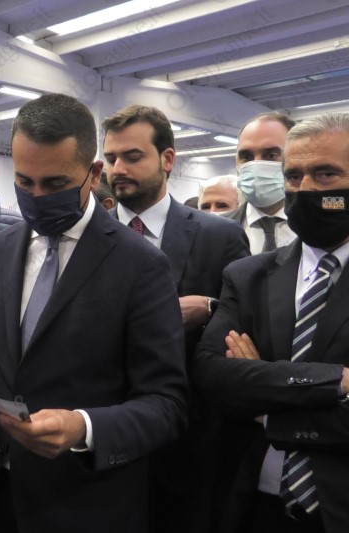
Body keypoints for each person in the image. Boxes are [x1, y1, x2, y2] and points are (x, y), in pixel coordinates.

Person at [0, 94, 188, 533]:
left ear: (94, 174)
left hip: (84, 504)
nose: (37, 197)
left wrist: (84, 427)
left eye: (55, 184)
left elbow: (166, 404)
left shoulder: (141, 265)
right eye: (25, 182)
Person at [191, 113, 349, 533]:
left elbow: (242, 385)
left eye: (326, 174)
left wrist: (268, 410)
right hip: (252, 507)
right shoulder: (247, 276)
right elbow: (213, 375)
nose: (305, 189)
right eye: (293, 176)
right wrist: (336, 382)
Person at [102, 104, 250, 533]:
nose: (118, 168)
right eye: (111, 158)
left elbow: (245, 321)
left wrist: (210, 308)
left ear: (167, 159)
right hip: (103, 433)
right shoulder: (88, 236)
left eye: (132, 156)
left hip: (189, 440)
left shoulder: (218, 236)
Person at [225, 112, 298, 254]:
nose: (256, 164)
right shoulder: (215, 231)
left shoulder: (323, 226)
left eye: (271, 155)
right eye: (246, 157)